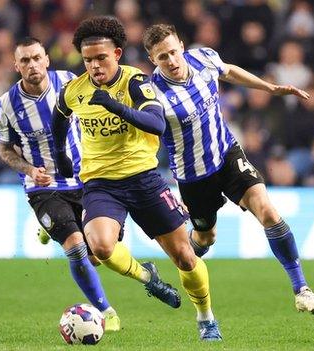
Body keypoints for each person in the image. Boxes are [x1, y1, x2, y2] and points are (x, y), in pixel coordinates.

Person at [51, 16, 222, 341]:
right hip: (100, 183)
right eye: (88, 60)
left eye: (101, 58)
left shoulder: (135, 81)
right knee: (100, 247)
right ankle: (149, 278)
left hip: (144, 180)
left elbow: (156, 124)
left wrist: (116, 107)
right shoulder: (75, 90)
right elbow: (59, 116)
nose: (95, 66)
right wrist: (60, 153)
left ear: (116, 53)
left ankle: (206, 317)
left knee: (186, 257)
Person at [143, 24, 314, 314]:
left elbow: (227, 70)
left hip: (227, 154)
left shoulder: (203, 57)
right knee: (206, 237)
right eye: (162, 57)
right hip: (194, 176)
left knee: (267, 211)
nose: (172, 61)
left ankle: (302, 289)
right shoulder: (152, 94)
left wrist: (268, 87)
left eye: (174, 52)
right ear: (153, 59)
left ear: (181, 44)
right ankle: (187, 262)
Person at [0, 38, 120, 331]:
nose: (32, 65)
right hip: (43, 187)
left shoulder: (70, 82)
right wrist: (28, 169)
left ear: (47, 59)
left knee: (99, 254)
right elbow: (5, 150)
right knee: (74, 247)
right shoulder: (5, 106)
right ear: (16, 66)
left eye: (36, 58)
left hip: (85, 177)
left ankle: (48, 226)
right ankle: (106, 311)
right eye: (25, 61)